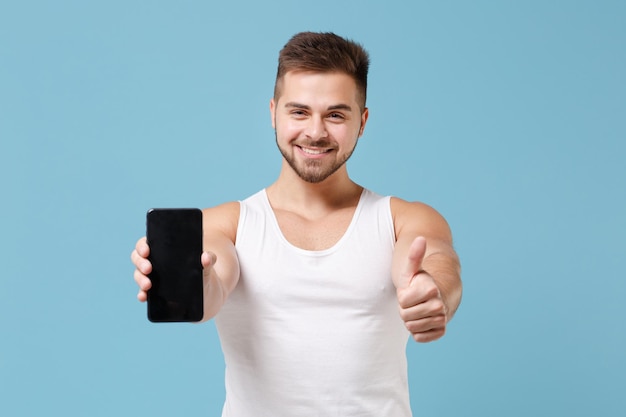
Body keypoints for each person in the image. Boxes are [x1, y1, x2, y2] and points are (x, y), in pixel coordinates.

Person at [131, 31, 462, 416]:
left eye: (336, 114)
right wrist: (197, 282)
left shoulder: (404, 219)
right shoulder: (227, 226)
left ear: (363, 121)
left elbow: (439, 261)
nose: (316, 132)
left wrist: (432, 292)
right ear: (273, 112)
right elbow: (214, 281)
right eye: (299, 111)